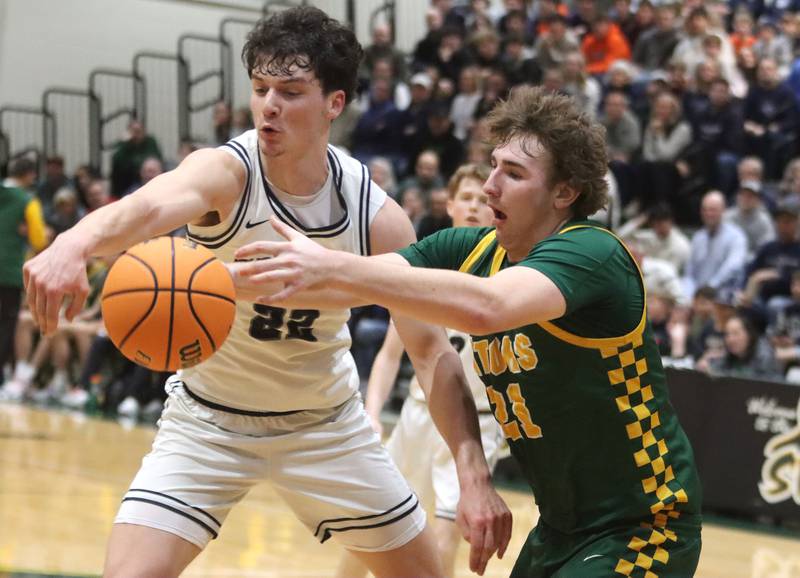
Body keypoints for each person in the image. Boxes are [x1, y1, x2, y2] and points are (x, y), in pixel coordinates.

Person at [22, 8, 510, 578]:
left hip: (324, 426)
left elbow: (430, 352)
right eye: (259, 88)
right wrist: (73, 243)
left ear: (335, 103)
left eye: (290, 91)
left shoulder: (376, 218)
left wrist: (474, 475)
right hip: (208, 421)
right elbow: (151, 205)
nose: (268, 105)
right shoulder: (227, 173)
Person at [234, 86, 703, 577]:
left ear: (564, 192)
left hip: (646, 523)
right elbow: (353, 287)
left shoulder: (593, 253)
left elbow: (488, 307)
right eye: (493, 165)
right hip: (560, 528)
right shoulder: (469, 248)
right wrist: (209, 285)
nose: (489, 186)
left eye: (514, 174)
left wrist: (333, 266)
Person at [337, 163, 505, 578]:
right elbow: (391, 355)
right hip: (417, 415)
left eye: (483, 200)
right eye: (465, 198)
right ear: (448, 205)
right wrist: (372, 413)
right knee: (373, 527)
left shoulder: (505, 275)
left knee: (446, 531)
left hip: (476, 424)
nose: (473, 207)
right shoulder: (427, 271)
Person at [0, 158, 47, 396]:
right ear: (28, 175)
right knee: (6, 326)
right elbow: (39, 241)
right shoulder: (27, 201)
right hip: (7, 271)